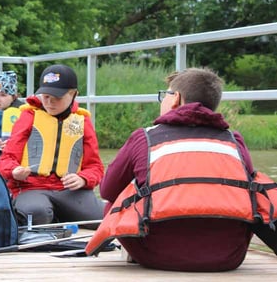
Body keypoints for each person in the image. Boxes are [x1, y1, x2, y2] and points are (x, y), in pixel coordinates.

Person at [86, 67, 277, 271]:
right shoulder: (234, 141)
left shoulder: (144, 138)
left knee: (116, 203)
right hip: (228, 256)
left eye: (165, 94)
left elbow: (107, 191)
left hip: (156, 253)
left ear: (176, 98)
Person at [0, 64, 105, 226]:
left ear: (73, 94)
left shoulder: (83, 121)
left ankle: (59, 214)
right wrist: (14, 171)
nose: (50, 102)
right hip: (31, 189)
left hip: (69, 191)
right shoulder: (28, 117)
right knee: (37, 214)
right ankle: (54, 214)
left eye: (57, 98)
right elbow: (6, 160)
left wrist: (83, 179)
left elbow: (95, 167)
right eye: (46, 96)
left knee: (104, 218)